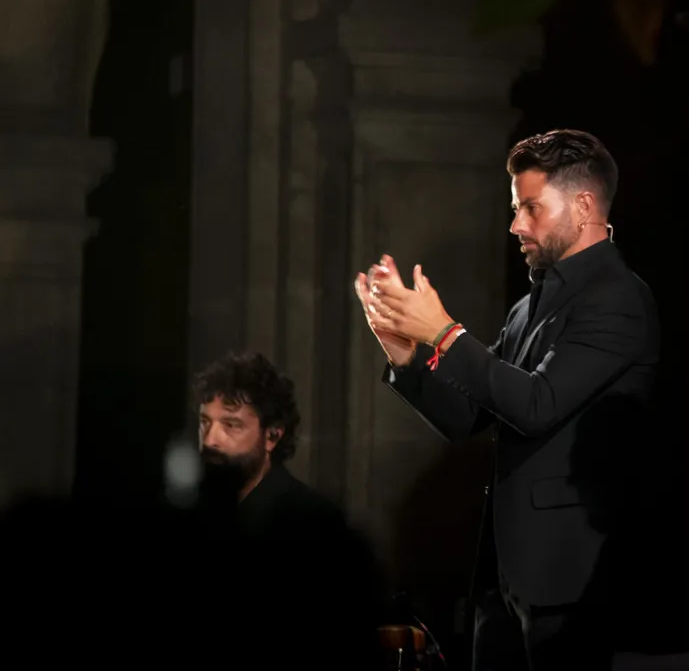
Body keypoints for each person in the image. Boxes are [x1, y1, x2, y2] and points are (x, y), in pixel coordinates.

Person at [357, 128, 659, 671]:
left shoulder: (619, 297)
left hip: (570, 577)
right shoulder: (529, 306)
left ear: (585, 205)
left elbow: (537, 404)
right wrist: (405, 354)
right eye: (516, 208)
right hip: (505, 574)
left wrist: (446, 334)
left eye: (531, 208)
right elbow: (468, 415)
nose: (516, 224)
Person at [191, 351, 386, 669]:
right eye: (205, 423)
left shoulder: (310, 523)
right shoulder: (195, 517)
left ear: (272, 436)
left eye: (231, 425)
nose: (211, 439)